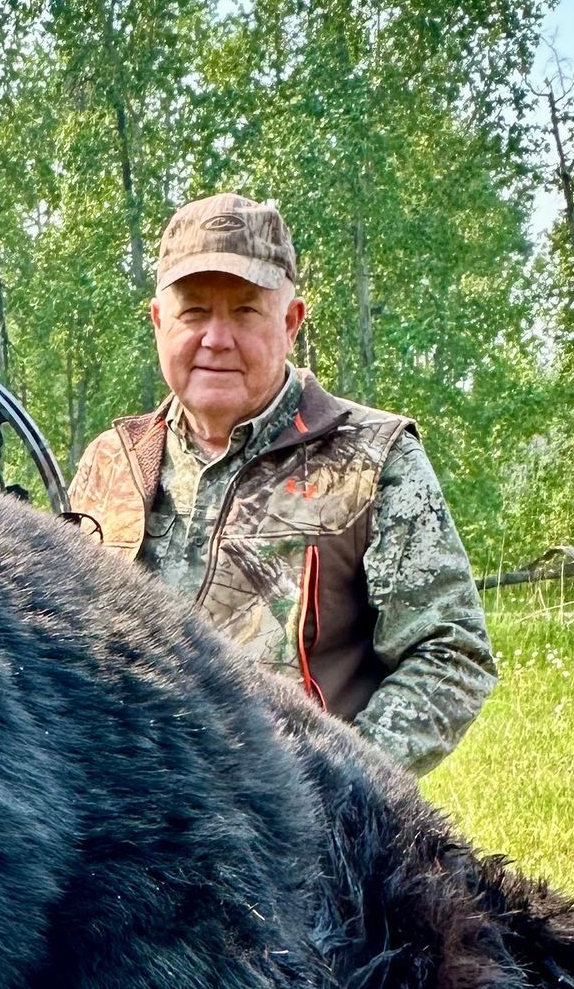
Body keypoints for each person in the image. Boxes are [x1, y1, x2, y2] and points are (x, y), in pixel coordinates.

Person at [68, 192, 496, 775]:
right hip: (139, 828)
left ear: (290, 323)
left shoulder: (374, 459)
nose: (217, 338)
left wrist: (339, 785)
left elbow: (451, 655)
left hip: (301, 840)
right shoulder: (111, 462)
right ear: (159, 321)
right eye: (194, 312)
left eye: (245, 311)